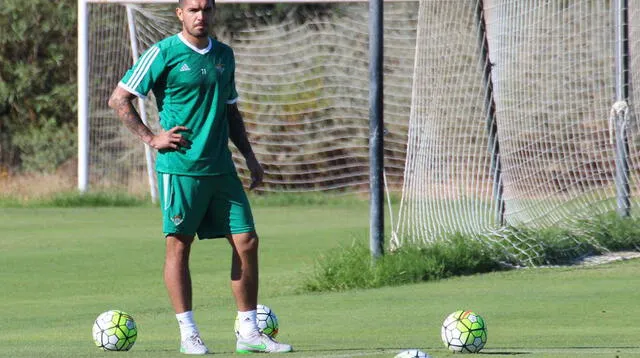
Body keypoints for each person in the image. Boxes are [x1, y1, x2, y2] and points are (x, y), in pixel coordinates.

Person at [107, 0, 292, 354]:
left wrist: (250, 156)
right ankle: (188, 333)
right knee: (179, 245)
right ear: (180, 13)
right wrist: (151, 138)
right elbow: (119, 99)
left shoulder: (224, 54)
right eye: (193, 9)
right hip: (180, 169)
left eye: (206, 9)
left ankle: (249, 331)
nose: (200, 15)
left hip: (221, 167)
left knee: (247, 241)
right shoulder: (163, 52)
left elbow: (230, 109)